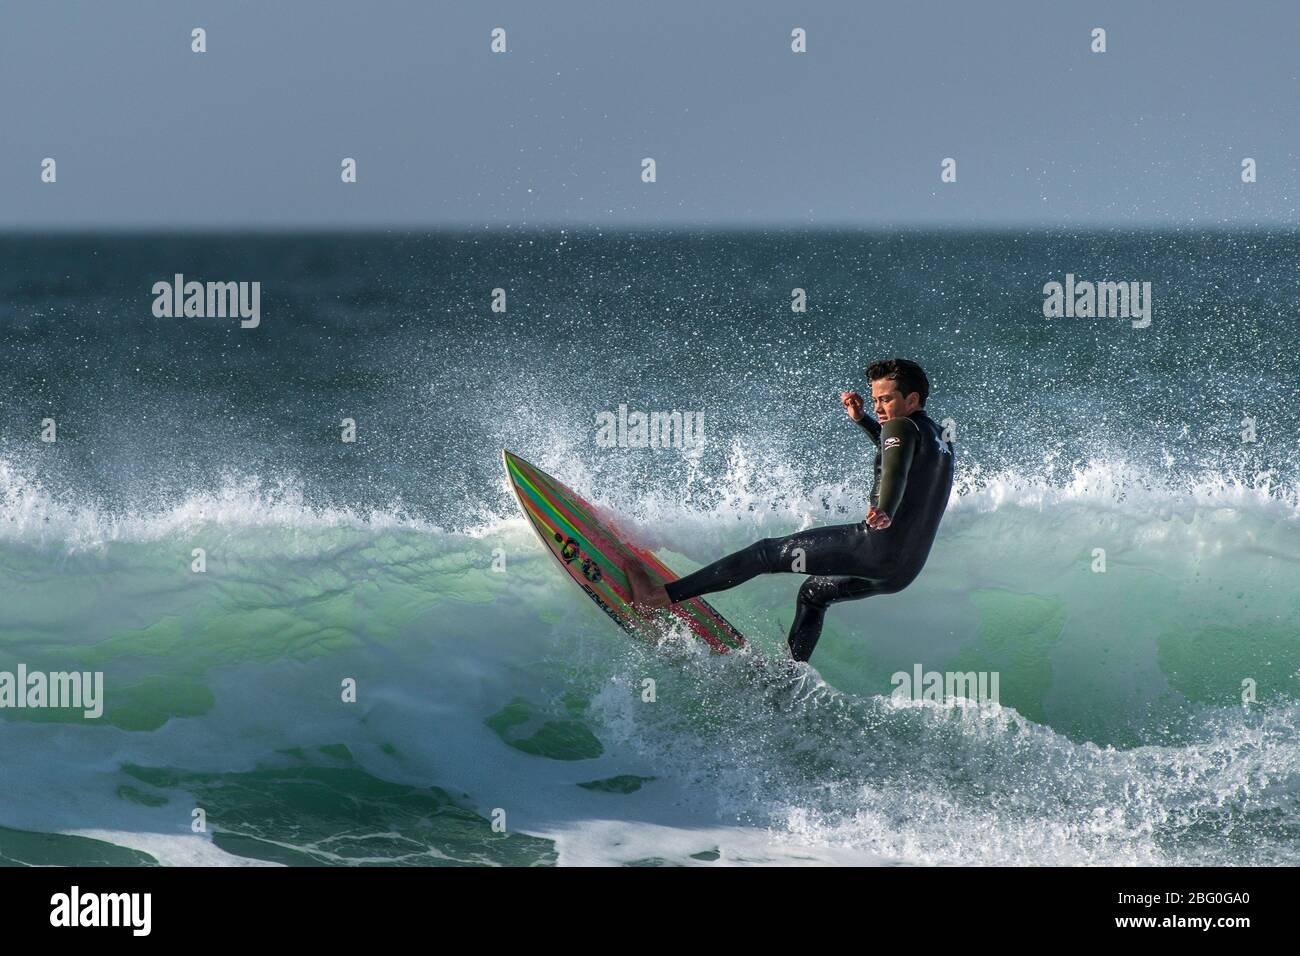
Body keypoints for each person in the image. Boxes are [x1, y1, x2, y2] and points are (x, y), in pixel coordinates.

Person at [626, 358, 955, 662]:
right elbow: (898, 454)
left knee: (764, 554)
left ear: (912, 400)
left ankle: (655, 599)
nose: (879, 407)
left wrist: (884, 509)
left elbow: (895, 471)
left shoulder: (899, 429)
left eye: (887, 400)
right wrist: (864, 421)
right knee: (814, 593)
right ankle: (789, 676)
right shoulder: (939, 436)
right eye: (875, 400)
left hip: (876, 547)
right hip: (903, 570)